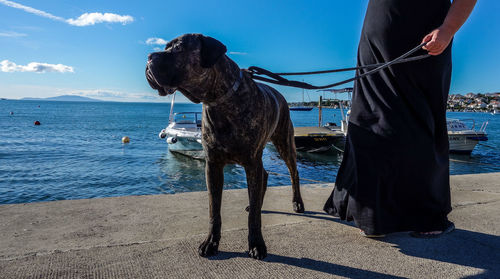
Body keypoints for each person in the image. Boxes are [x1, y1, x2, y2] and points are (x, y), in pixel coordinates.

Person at [323, 0, 477, 238]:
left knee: (377, 114)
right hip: (411, 30)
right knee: (411, 117)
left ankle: (372, 217)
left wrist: (446, 30)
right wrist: (447, 30)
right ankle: (420, 217)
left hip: (398, 28)